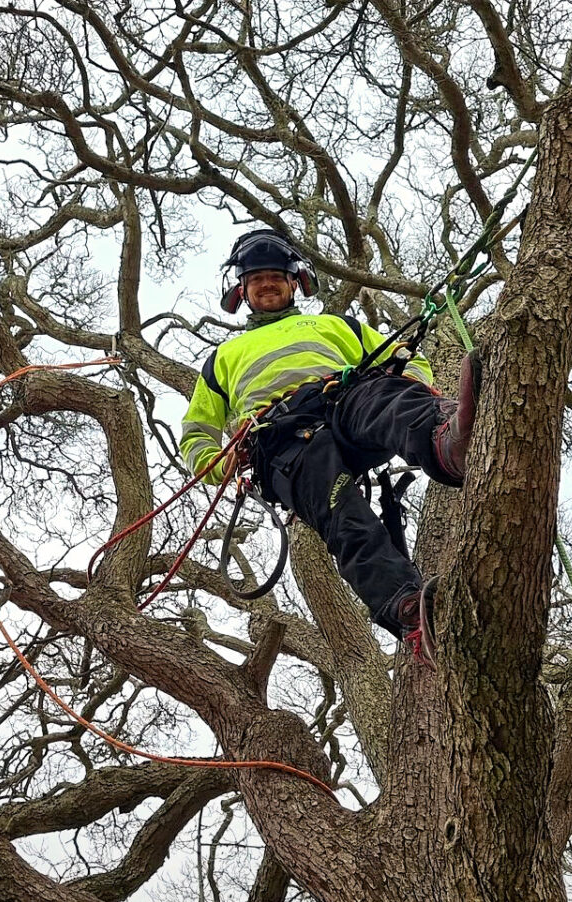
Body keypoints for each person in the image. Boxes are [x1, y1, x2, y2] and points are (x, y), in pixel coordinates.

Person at [179, 230, 478, 661]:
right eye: (256, 279)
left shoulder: (338, 326)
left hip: (344, 396)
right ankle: (407, 609)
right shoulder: (223, 357)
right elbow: (197, 429)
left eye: (275, 277)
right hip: (281, 437)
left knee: (384, 396)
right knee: (341, 514)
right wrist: (214, 463)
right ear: (241, 291)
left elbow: (406, 357)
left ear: (296, 281)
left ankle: (446, 442)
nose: (267, 285)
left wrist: (410, 381)